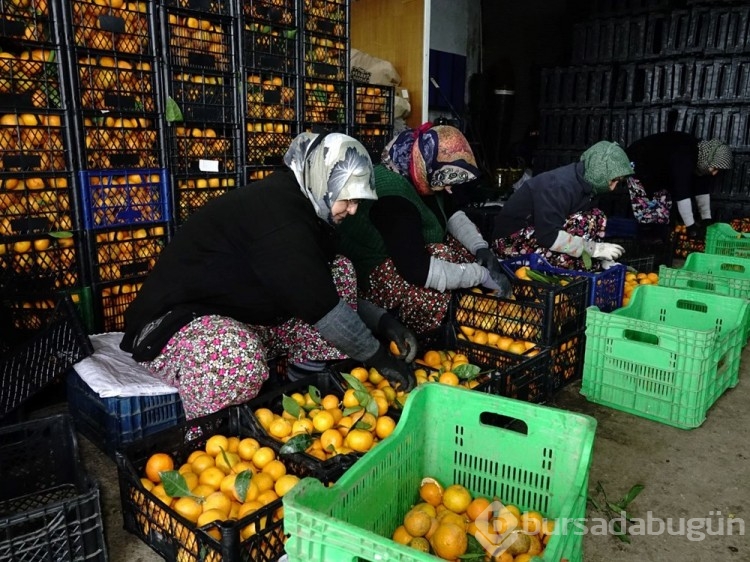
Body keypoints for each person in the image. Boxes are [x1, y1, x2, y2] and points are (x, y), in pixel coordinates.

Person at [119, 132, 418, 420]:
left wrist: (383, 321)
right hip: (175, 325)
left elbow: (318, 290)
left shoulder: (304, 208)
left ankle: (304, 391)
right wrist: (379, 359)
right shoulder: (279, 217)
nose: (353, 211)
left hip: (240, 314)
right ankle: (208, 435)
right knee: (236, 359)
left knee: (338, 269)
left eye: (358, 202)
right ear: (322, 180)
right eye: (347, 199)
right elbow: (322, 306)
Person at [337, 123, 511, 335]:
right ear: (427, 165)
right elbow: (418, 270)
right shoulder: (392, 198)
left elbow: (452, 214)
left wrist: (480, 248)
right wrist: (480, 275)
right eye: (446, 181)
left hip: (405, 254)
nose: (449, 189)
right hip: (371, 272)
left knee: (463, 248)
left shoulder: (421, 173)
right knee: (443, 255)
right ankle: (409, 329)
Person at [491, 140, 634, 270]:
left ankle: (593, 265)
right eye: (612, 180)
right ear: (599, 171)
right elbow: (548, 236)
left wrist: (598, 257)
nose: (613, 187)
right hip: (509, 243)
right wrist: (594, 249)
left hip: (538, 232)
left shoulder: (588, 186)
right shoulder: (559, 186)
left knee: (596, 216)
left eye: (618, 181)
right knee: (581, 223)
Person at [626, 132, 733, 238]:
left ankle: (658, 239)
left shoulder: (702, 159)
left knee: (662, 210)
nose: (715, 173)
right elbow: (681, 191)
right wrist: (691, 226)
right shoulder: (684, 155)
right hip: (639, 160)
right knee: (647, 208)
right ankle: (646, 241)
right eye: (715, 168)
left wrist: (706, 219)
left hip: (660, 170)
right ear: (710, 159)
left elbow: (702, 188)